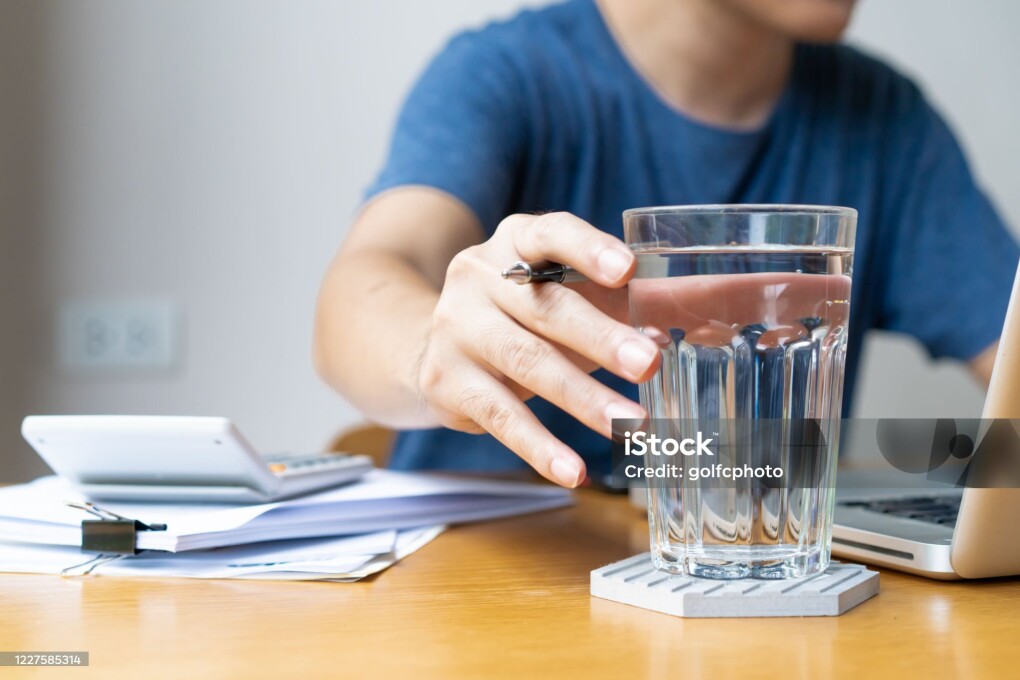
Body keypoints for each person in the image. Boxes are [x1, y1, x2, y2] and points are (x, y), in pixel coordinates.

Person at [314, 0, 1018, 488]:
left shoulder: (883, 119)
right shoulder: (503, 76)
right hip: (484, 595)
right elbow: (362, 290)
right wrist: (431, 353)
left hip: (744, 595)